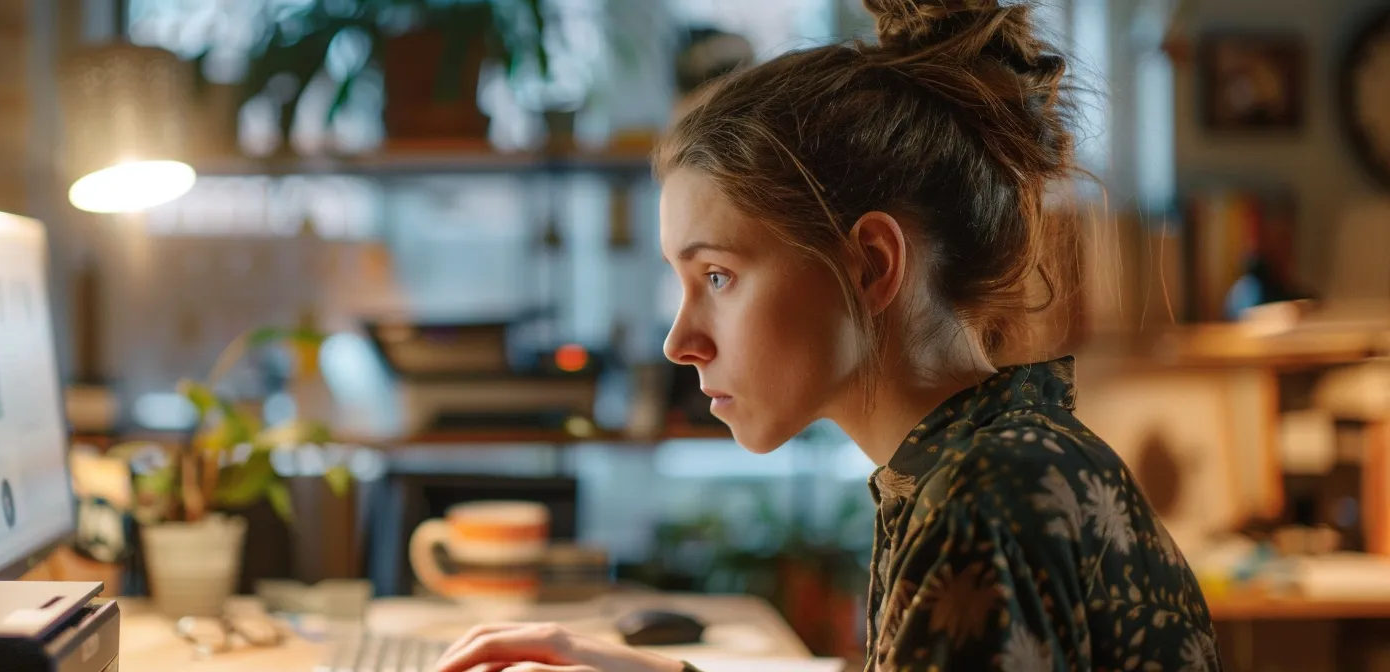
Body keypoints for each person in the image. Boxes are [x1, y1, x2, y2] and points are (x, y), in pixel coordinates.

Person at [431, 0, 1220, 671]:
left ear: (871, 265)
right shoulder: (995, 456)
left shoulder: (978, 501)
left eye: (717, 278)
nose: (680, 342)